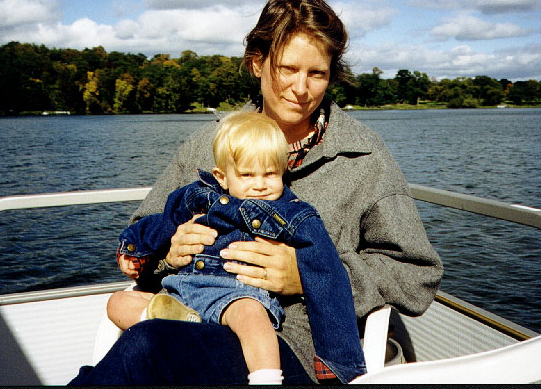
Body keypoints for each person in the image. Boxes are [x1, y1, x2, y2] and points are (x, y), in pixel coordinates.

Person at [69, 0, 442, 386]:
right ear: (257, 63)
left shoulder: (364, 157)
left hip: (298, 353)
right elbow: (140, 240)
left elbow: (416, 275)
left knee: (148, 348)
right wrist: (168, 253)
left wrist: (307, 276)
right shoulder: (206, 145)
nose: (301, 88)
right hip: (191, 316)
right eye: (288, 69)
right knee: (143, 347)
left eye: (317, 73)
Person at [106, 111, 366, 384]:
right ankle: (176, 318)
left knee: (252, 318)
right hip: (181, 290)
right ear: (221, 177)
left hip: (237, 293)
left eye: (270, 173)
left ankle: (266, 379)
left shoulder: (293, 214)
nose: (260, 185)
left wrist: (337, 360)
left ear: (283, 171)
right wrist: (135, 249)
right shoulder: (198, 195)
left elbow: (327, 274)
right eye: (247, 174)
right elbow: (162, 222)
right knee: (118, 303)